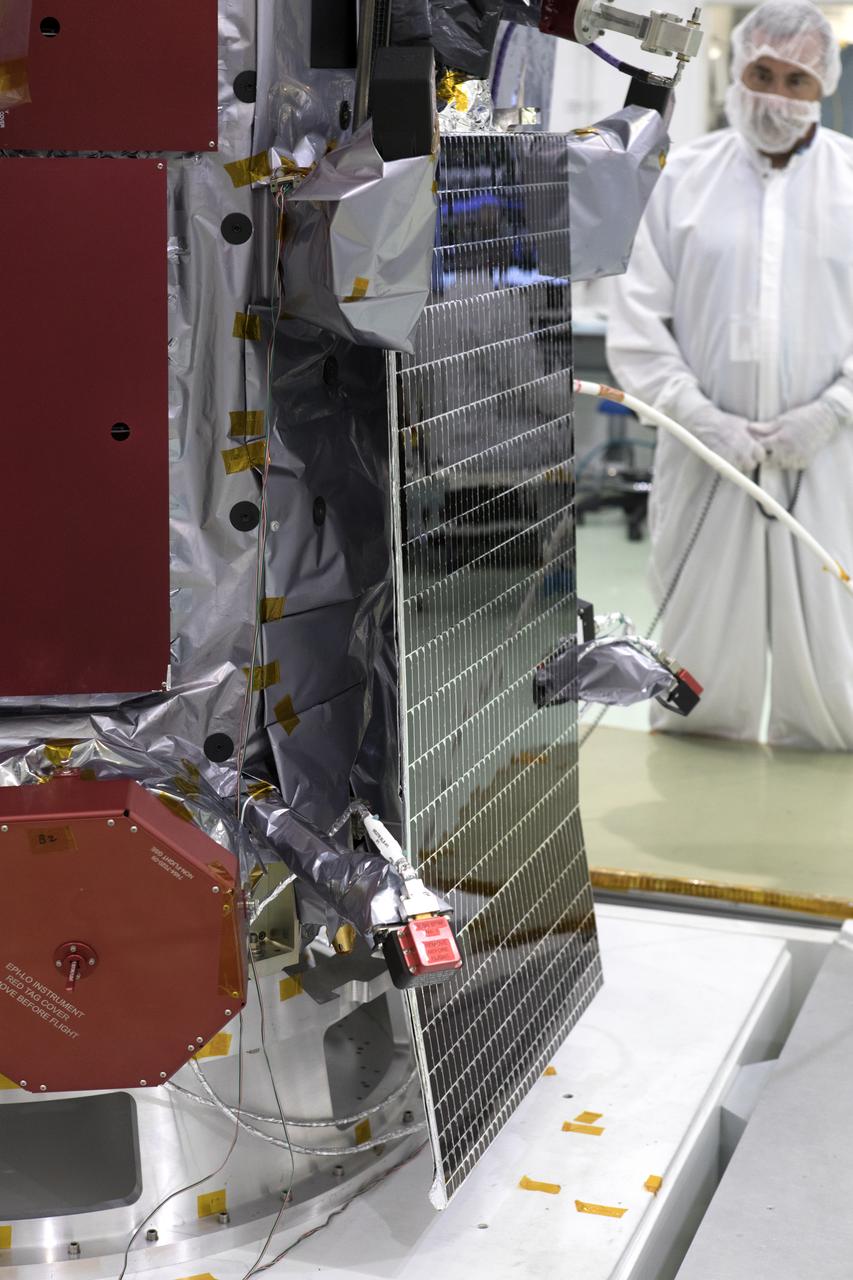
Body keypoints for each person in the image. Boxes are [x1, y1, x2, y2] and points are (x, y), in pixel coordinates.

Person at [606, 0, 853, 750]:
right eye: (761, 73)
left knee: (837, 657)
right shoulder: (680, 178)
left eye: (796, 79)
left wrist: (833, 409)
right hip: (704, 455)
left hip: (831, 456)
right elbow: (637, 319)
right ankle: (691, 805)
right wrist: (696, 416)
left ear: (824, 85)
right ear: (737, 72)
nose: (776, 93)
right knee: (697, 644)